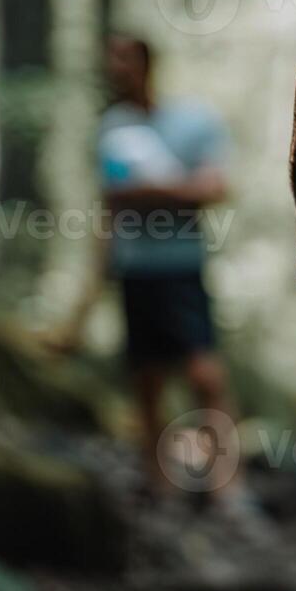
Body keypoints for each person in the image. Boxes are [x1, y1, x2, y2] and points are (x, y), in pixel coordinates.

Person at [67, 34, 236, 498]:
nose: (114, 69)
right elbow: (114, 204)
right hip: (135, 271)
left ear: (146, 63)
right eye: (110, 60)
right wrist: (93, 282)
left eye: (122, 59)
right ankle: (158, 488)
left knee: (205, 376)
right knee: (146, 382)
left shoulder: (193, 120)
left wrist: (152, 193)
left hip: (181, 270)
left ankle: (228, 488)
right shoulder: (112, 129)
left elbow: (214, 189)